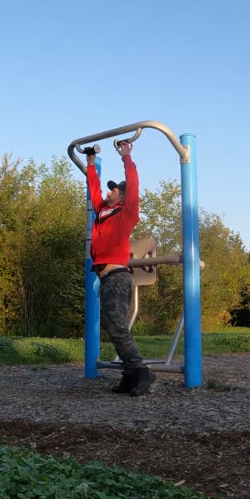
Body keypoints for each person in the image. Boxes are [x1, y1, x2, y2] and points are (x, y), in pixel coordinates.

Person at [85, 140, 154, 397]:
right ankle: (129, 376)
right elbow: (93, 188)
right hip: (105, 278)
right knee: (113, 326)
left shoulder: (126, 214)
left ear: (122, 198)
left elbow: (133, 186)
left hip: (117, 277)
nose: (109, 190)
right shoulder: (102, 212)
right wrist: (91, 162)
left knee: (116, 326)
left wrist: (126, 156)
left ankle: (141, 371)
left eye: (114, 189)